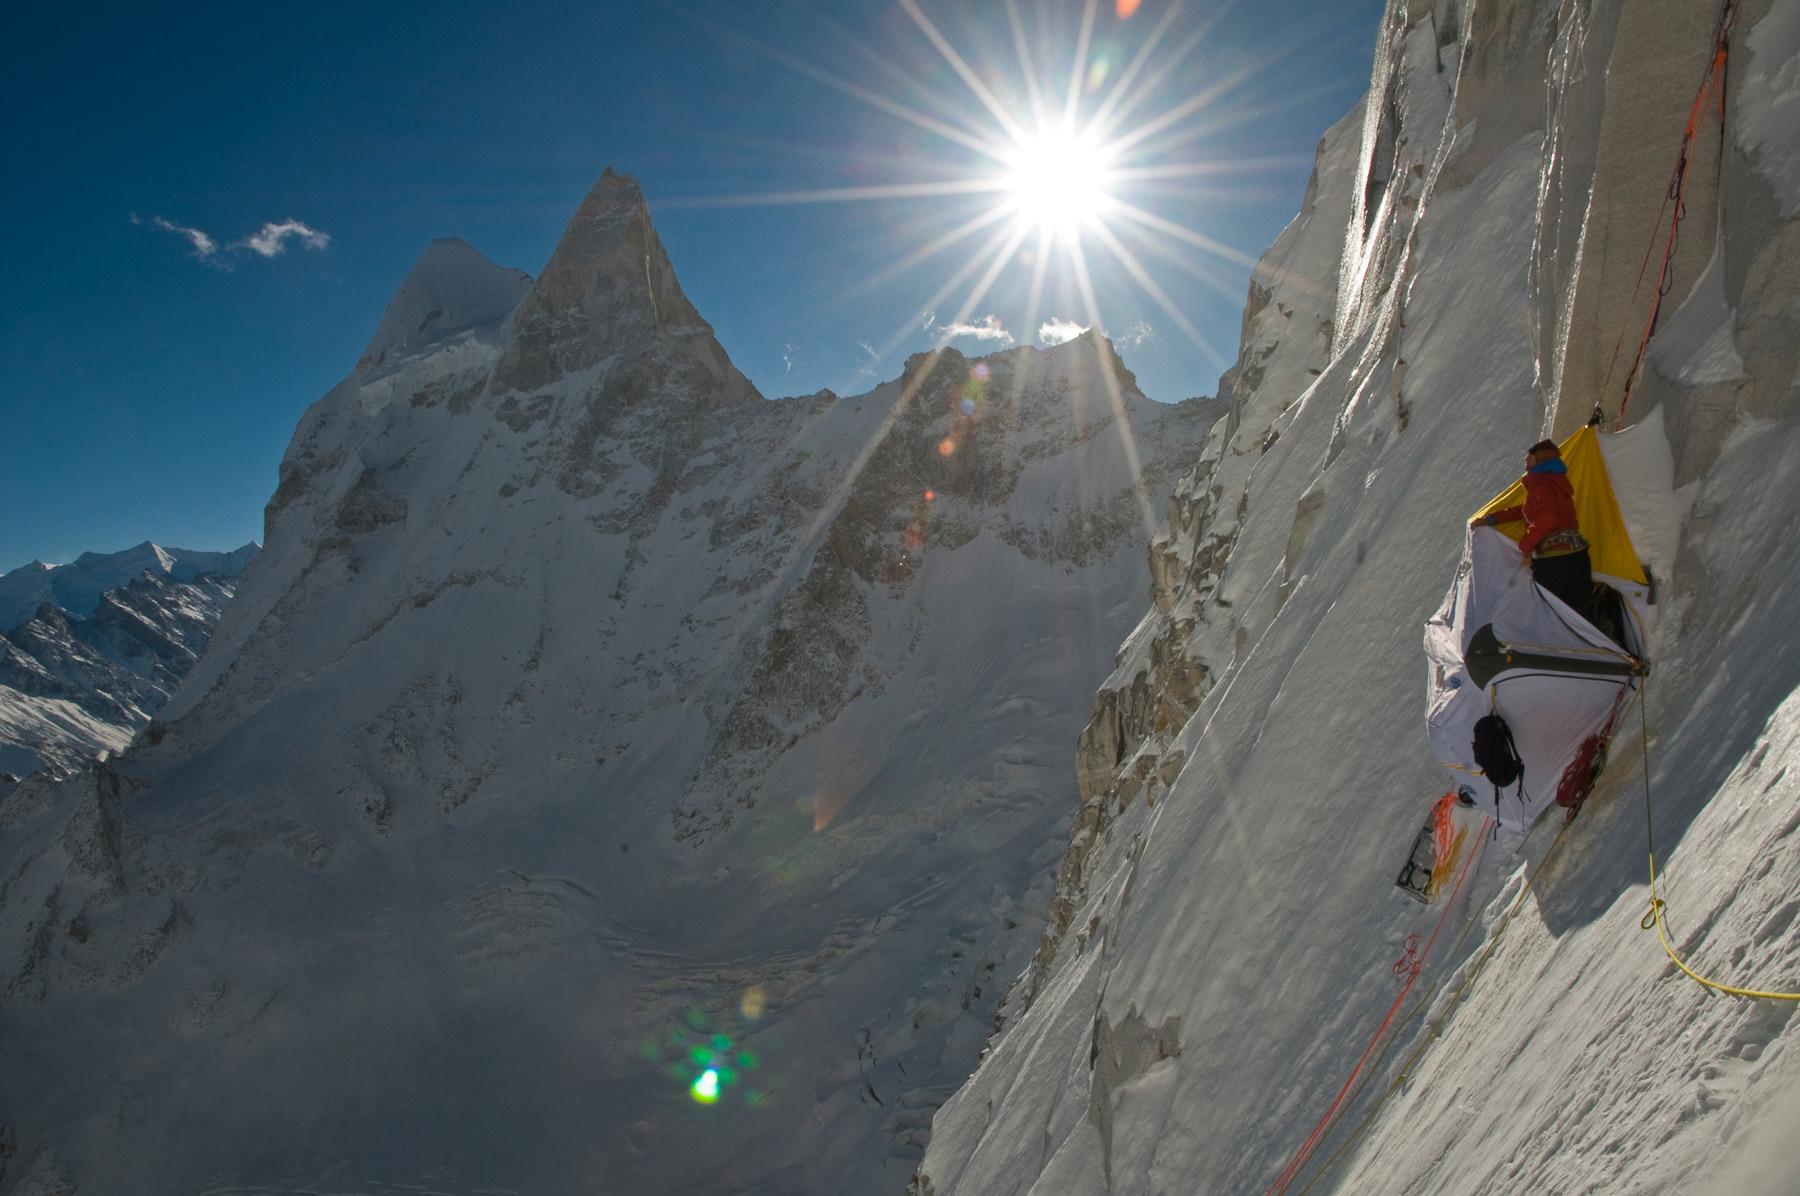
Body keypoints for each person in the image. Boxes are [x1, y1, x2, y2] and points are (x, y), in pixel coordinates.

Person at [1474, 439, 1594, 623]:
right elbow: (1527, 511)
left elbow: (1546, 519)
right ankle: (1597, 648)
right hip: (1577, 557)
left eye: (1528, 460)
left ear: (1539, 461)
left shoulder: (1541, 485)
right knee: (1581, 616)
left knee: (1547, 613)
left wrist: (1526, 545)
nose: (1525, 464)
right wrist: (1492, 519)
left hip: (1556, 562)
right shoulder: (1555, 482)